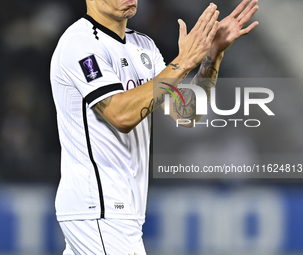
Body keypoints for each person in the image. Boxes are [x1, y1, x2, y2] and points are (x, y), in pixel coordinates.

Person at [50, 0, 259, 254]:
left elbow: (186, 113)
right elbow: (121, 116)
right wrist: (183, 61)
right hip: (100, 206)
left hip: (121, 211)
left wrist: (212, 54)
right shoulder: (80, 43)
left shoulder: (144, 46)